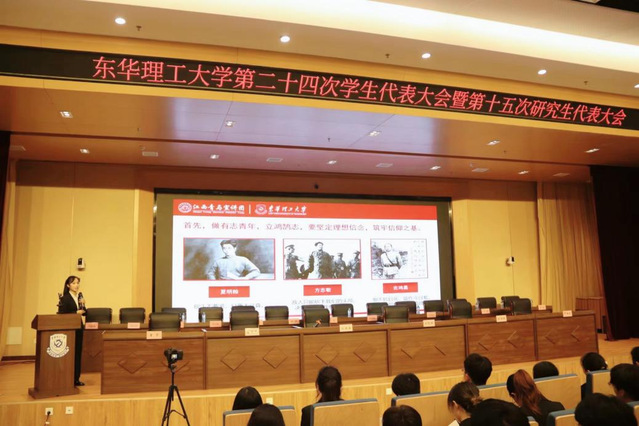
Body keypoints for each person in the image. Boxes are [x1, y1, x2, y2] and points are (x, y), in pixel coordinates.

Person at [57, 275, 86, 386]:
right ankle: (67, 378)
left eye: (77, 283)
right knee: (70, 354)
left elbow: (84, 313)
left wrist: (83, 305)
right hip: (69, 330)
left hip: (79, 328)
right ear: (68, 285)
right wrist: (75, 313)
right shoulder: (65, 298)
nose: (76, 285)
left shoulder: (79, 297)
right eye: (73, 283)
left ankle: (76, 378)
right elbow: (62, 314)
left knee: (77, 354)